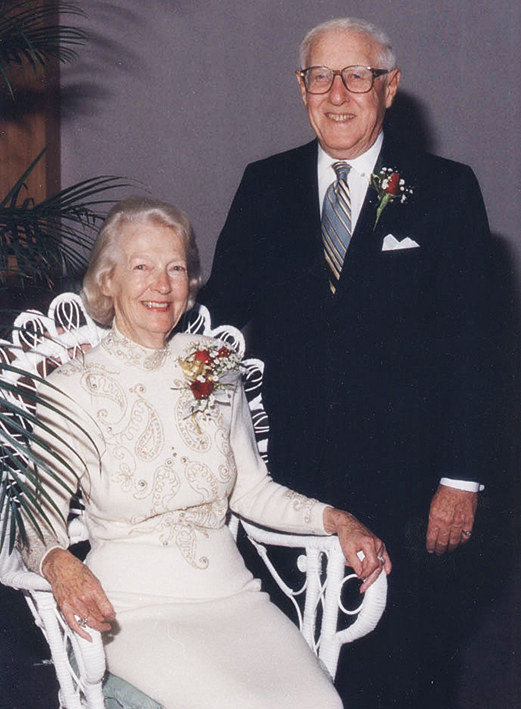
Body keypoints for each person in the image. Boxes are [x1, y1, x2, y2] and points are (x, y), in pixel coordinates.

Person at [200, 17, 493, 709]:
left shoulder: (444, 191)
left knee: (404, 666)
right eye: (319, 76)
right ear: (300, 88)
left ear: (388, 87)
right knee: (290, 667)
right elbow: (218, 319)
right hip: (289, 486)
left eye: (356, 75)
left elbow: (475, 343)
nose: (337, 93)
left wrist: (461, 477)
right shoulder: (264, 184)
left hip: (409, 486)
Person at [20, 196, 391, 709]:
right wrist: (60, 562)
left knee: (321, 703)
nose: (162, 284)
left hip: (235, 598)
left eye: (176, 268)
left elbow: (251, 489)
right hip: (137, 612)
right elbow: (33, 519)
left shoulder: (213, 365)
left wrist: (337, 519)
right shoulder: (71, 387)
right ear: (108, 279)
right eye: (142, 267)